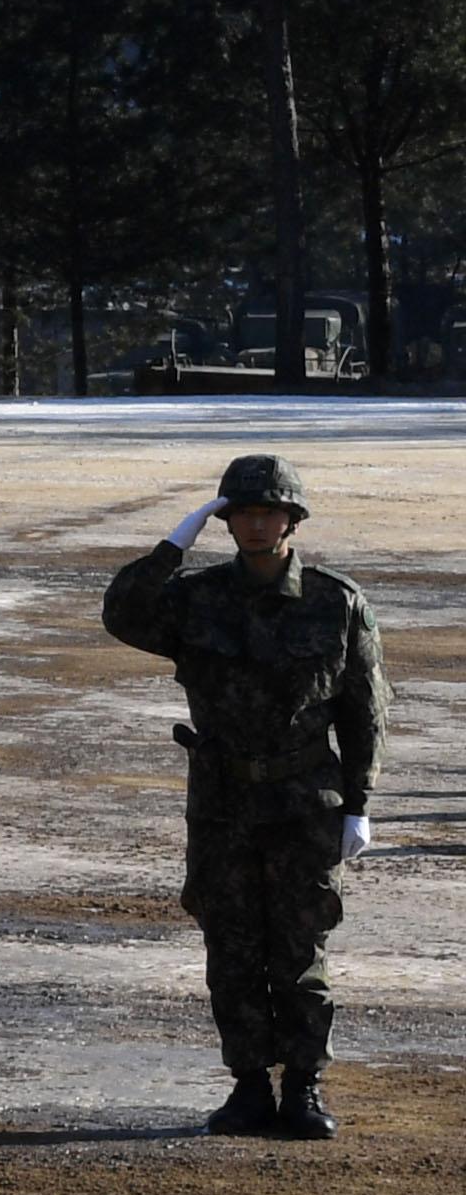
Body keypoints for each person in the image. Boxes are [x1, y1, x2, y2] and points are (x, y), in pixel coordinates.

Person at [104, 454, 388, 1139]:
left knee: (299, 947)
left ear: (292, 520)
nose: (255, 526)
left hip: (302, 802)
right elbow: (122, 615)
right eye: (241, 514)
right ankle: (249, 1087)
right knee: (230, 947)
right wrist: (173, 547)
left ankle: (304, 1088)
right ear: (226, 523)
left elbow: (364, 710)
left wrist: (360, 803)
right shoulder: (195, 599)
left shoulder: (335, 601)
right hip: (223, 801)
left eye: (268, 513)